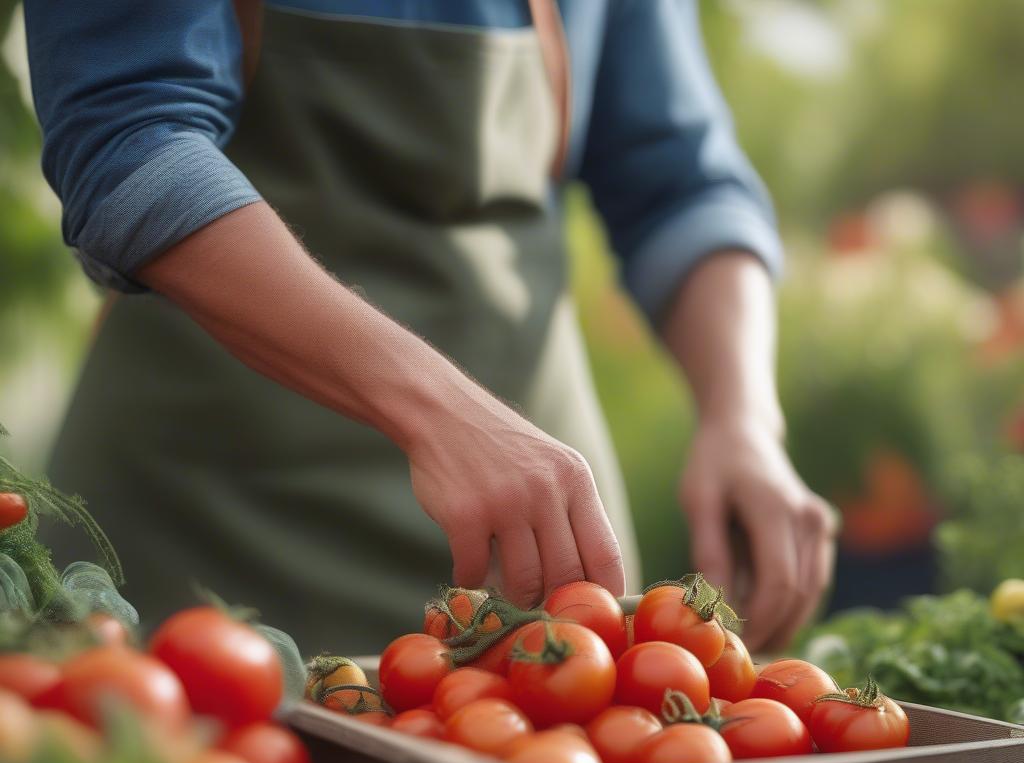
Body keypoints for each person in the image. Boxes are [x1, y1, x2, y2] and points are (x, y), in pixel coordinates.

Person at [24, 0, 835, 655]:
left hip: (541, 564)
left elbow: (683, 187)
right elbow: (130, 143)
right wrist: (436, 410)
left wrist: (744, 419)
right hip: (204, 538)